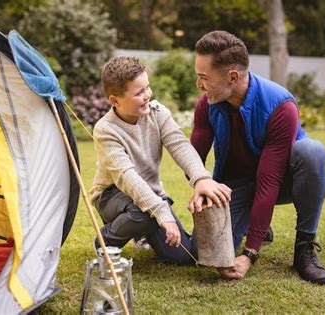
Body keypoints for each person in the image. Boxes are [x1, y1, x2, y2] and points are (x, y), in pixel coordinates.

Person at [190, 30, 325, 285]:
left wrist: (249, 254)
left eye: (203, 78)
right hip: (238, 184)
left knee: (312, 152)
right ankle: (257, 226)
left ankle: (304, 248)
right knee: (202, 249)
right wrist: (200, 184)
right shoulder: (208, 104)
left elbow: (269, 182)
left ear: (232, 77)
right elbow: (193, 157)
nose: (199, 84)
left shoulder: (280, 105)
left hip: (284, 180)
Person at [90, 56, 239, 278]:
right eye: (139, 92)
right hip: (112, 196)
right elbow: (128, 178)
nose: (147, 95)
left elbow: (181, 146)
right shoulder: (105, 130)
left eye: (147, 87)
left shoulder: (158, 113)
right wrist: (162, 213)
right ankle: (105, 240)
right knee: (147, 214)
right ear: (115, 100)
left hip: (149, 197)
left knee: (181, 258)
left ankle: (143, 232)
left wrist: (201, 178)